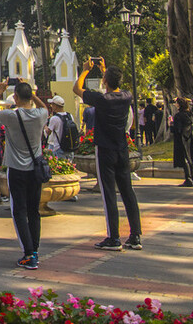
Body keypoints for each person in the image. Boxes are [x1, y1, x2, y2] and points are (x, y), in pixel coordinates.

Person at [74, 59, 143, 251]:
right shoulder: (127, 96)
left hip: (105, 149)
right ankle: (135, 235)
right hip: (122, 149)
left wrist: (86, 70)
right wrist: (106, 71)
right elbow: (116, 88)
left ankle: (113, 237)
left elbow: (76, 89)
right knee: (128, 192)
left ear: (104, 81)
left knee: (109, 194)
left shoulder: (101, 100)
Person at [0, 79, 47, 269]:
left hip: (16, 169)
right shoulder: (40, 115)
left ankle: (29, 254)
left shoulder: (11, 116)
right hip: (34, 170)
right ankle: (34, 250)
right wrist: (32, 94)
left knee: (19, 211)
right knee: (33, 211)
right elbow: (44, 106)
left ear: (16, 97)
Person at [169, 97, 193, 187]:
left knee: (185, 158)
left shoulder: (178, 115)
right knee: (191, 158)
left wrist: (170, 124)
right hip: (190, 138)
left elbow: (177, 129)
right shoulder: (190, 114)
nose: (175, 104)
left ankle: (188, 179)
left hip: (182, 139)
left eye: (176, 103)